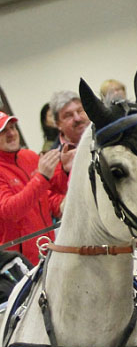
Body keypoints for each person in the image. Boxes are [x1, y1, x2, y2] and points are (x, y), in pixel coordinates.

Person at [0, 112, 64, 266]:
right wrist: (42, 177)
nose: (11, 134)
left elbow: (45, 195)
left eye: (13, 127)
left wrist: (63, 203)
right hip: (21, 264)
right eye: (3, 131)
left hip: (52, 251)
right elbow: (10, 211)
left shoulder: (28, 156)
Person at [49, 90, 91, 193]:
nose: (77, 118)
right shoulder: (53, 159)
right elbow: (54, 198)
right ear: (58, 124)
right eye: (68, 115)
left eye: (80, 111)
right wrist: (66, 173)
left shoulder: (106, 136)